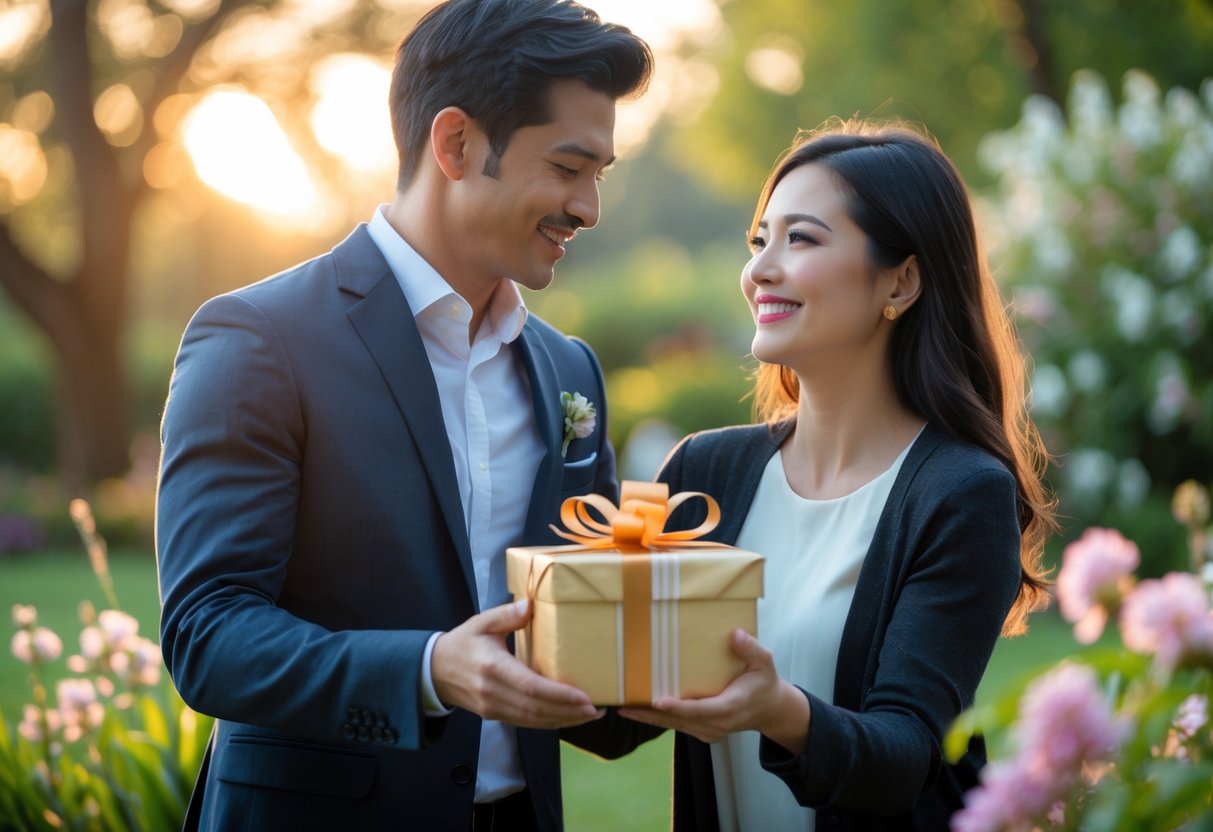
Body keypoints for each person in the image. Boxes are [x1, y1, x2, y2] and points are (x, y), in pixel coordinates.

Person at [154, 1, 653, 829]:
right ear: (454, 144)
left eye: (598, 173)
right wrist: (427, 669)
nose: (588, 207)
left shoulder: (570, 371)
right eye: (568, 167)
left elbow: (582, 650)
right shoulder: (258, 338)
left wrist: (678, 665)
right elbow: (209, 635)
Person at [616, 119, 1057, 830]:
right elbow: (614, 712)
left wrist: (777, 711)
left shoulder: (962, 492)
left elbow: (905, 756)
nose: (760, 270)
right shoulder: (698, 469)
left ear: (901, 280)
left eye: (801, 239)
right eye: (759, 240)